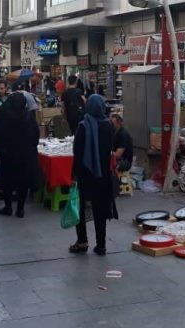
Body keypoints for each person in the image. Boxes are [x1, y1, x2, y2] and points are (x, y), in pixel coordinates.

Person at [69, 94, 118, 256]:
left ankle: (82, 241)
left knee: (80, 207)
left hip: (86, 174)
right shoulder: (109, 125)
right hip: (103, 174)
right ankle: (101, 244)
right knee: (100, 209)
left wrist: (74, 174)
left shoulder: (83, 126)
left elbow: (78, 152)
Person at [0, 92, 39, 218]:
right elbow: (36, 133)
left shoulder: (1, 113)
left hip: (6, 154)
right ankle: (20, 209)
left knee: (7, 181)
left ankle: (8, 207)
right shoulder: (27, 116)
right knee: (22, 182)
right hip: (24, 155)